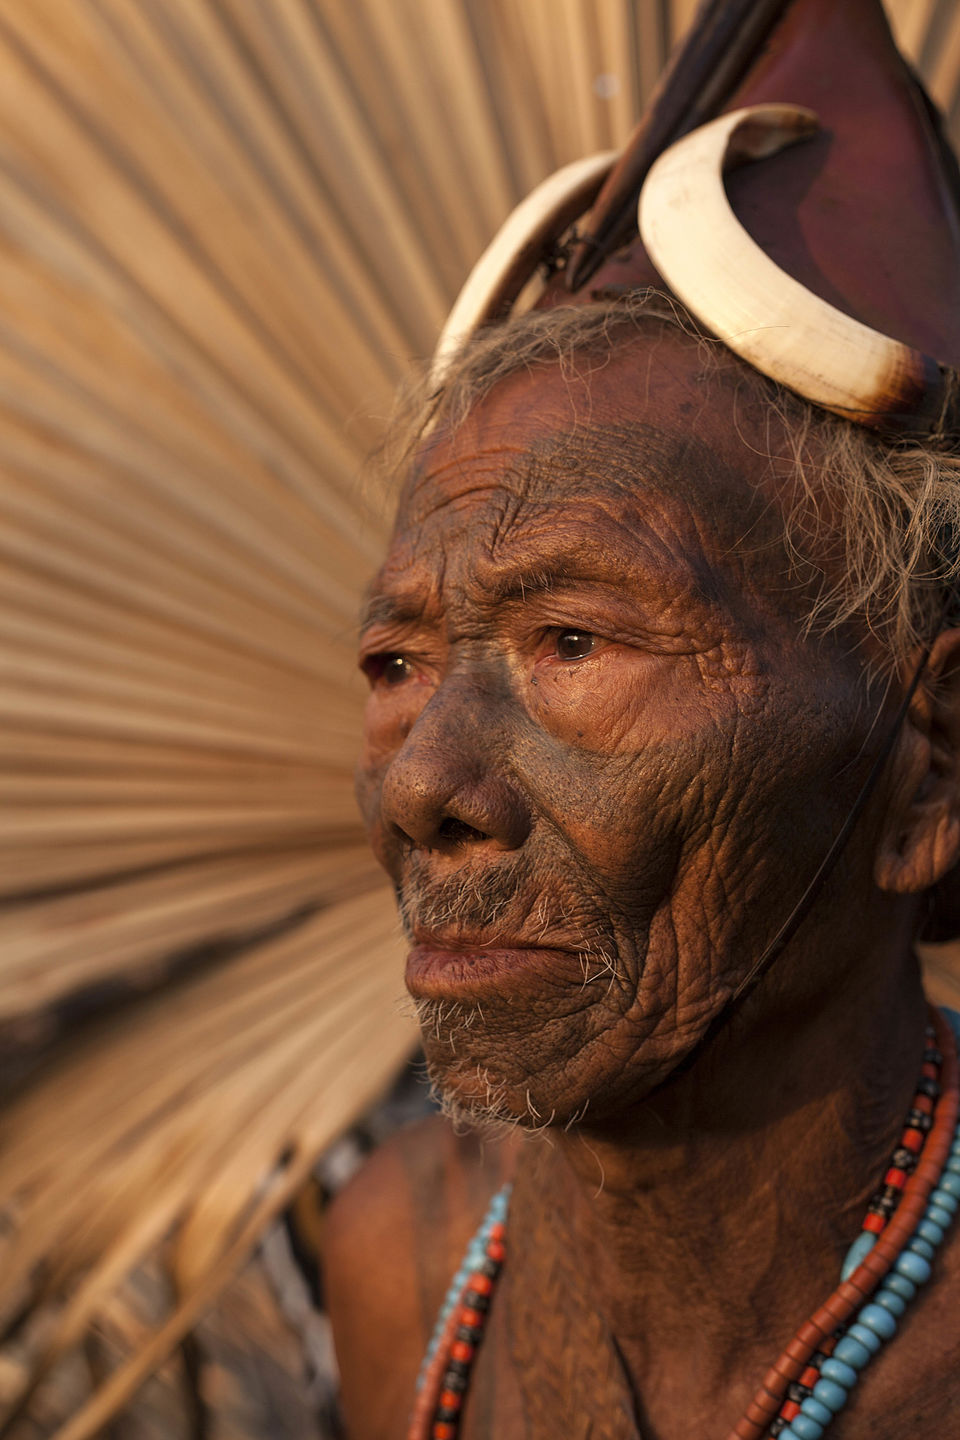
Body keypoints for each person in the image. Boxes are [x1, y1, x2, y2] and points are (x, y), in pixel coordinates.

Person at [324, 1, 960, 1436]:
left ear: (932, 762)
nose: (425, 783)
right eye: (397, 663)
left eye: (572, 640)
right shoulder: (402, 1267)